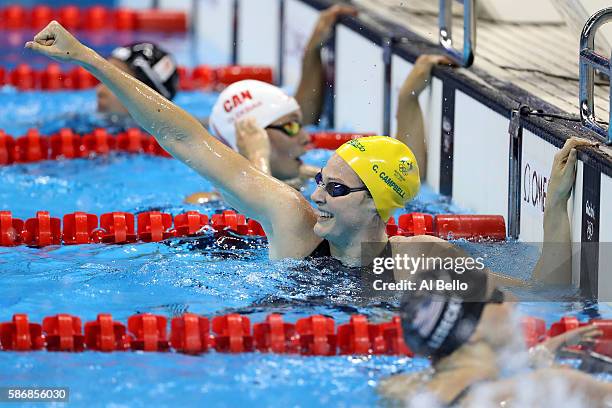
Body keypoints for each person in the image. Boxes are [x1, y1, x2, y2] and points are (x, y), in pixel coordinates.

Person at [25, 22, 594, 287]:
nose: (317, 193)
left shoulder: (427, 258)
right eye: (323, 178)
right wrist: (87, 57)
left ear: (377, 206)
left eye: (337, 189)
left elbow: (544, 291)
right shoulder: (294, 222)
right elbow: (185, 139)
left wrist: (557, 207)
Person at [184, 5, 358, 204]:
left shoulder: (310, 184)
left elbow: (297, 118)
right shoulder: (207, 204)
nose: (306, 137)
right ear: (252, 139)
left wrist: (312, 51)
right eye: (292, 127)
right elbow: (270, 210)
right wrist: (258, 157)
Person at [377, 265, 612, 407]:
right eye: (498, 298)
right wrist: (551, 369)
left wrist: (537, 354)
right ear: (471, 330)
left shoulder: (399, 388)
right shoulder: (546, 389)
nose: (513, 302)